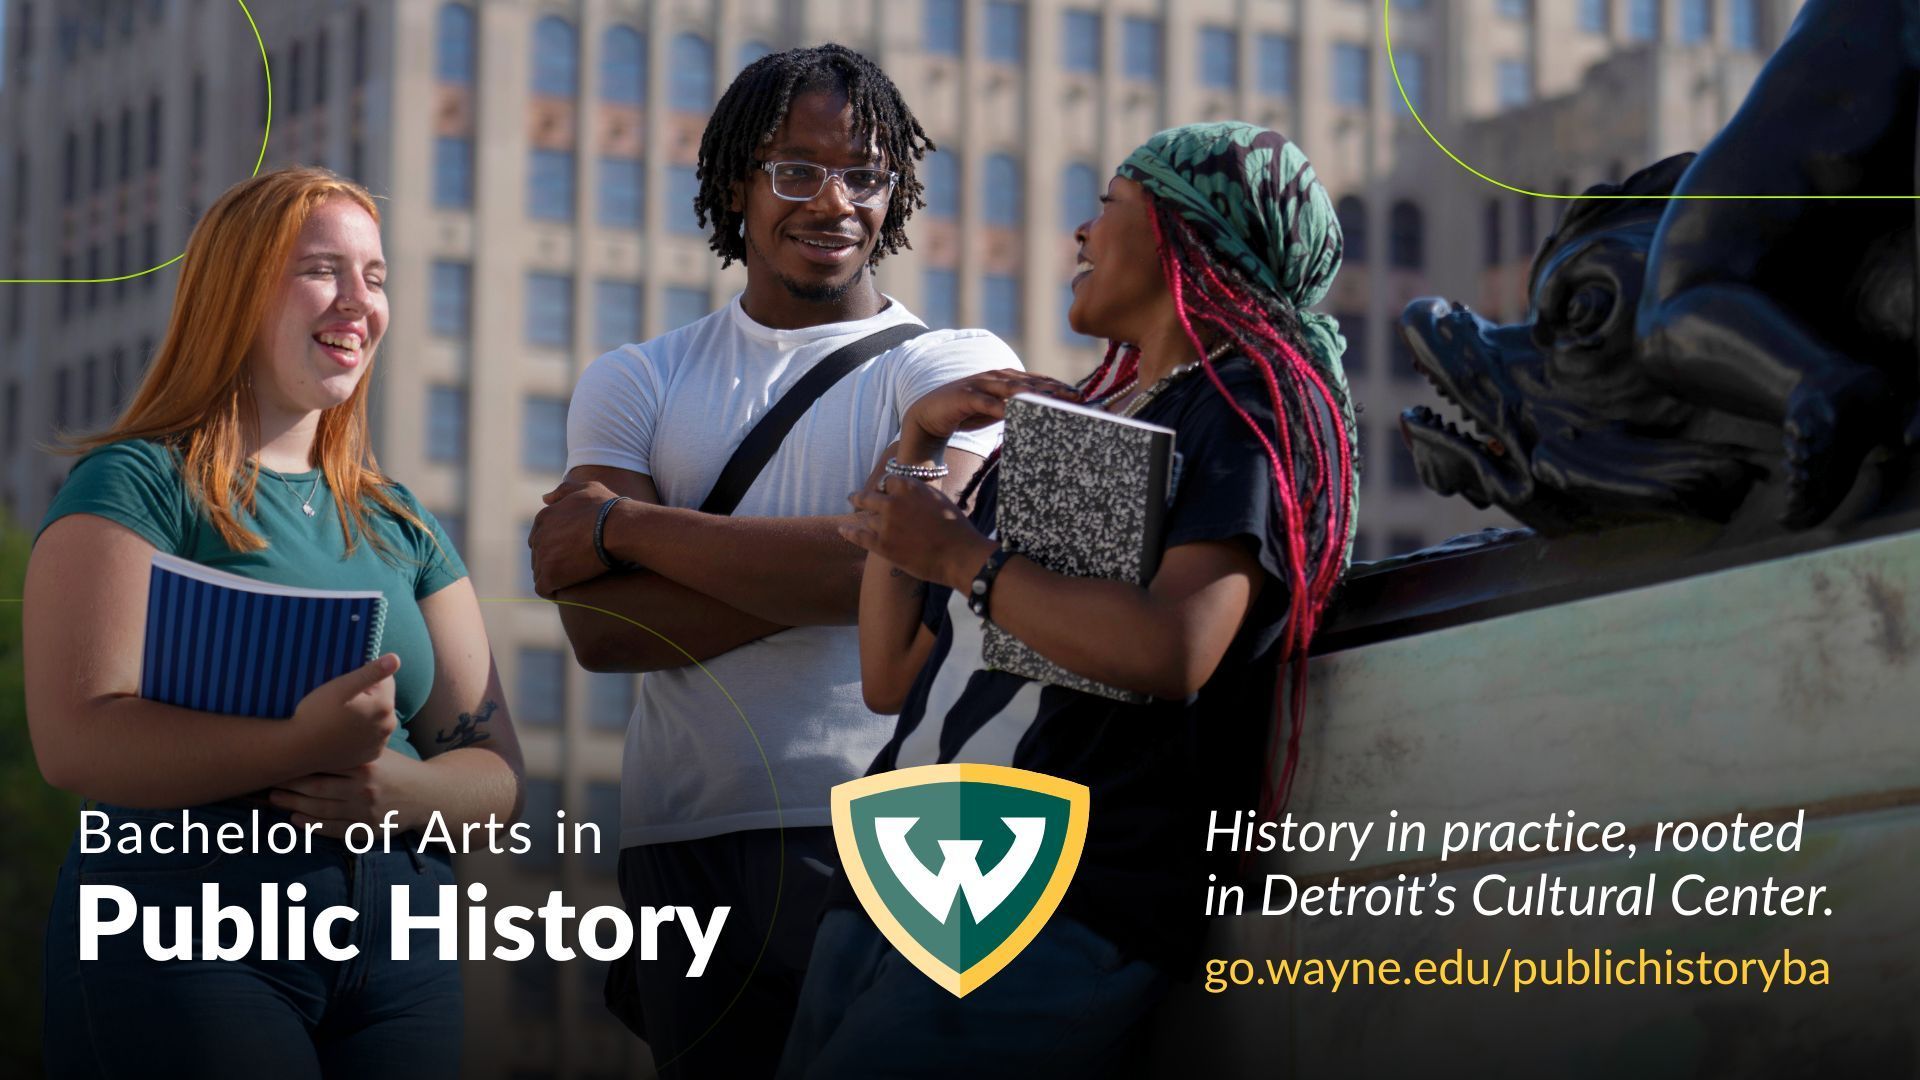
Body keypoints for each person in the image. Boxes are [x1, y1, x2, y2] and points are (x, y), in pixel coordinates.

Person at [778, 122, 1361, 1076]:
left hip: (1045, 893)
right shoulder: (1098, 422)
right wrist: (919, 446)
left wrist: (966, 559)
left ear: (1188, 234)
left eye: (1108, 207)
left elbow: (1174, 649)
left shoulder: (1249, 403)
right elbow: (895, 678)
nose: (1081, 237)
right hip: (909, 868)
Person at [525, 44, 1041, 1077]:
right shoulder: (637, 379)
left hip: (895, 828)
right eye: (796, 170)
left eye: (865, 174)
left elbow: (931, 555)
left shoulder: (956, 364)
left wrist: (623, 532)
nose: (834, 202)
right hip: (680, 838)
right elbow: (603, 631)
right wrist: (861, 561)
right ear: (735, 186)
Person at [28, 167, 524, 1079]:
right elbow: (75, 743)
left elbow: (495, 772)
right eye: (322, 270)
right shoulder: (136, 487)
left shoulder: (402, 522)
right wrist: (299, 745)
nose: (358, 302)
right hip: (188, 921)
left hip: (401, 942)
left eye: (374, 277)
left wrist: (395, 793)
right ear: (237, 293)